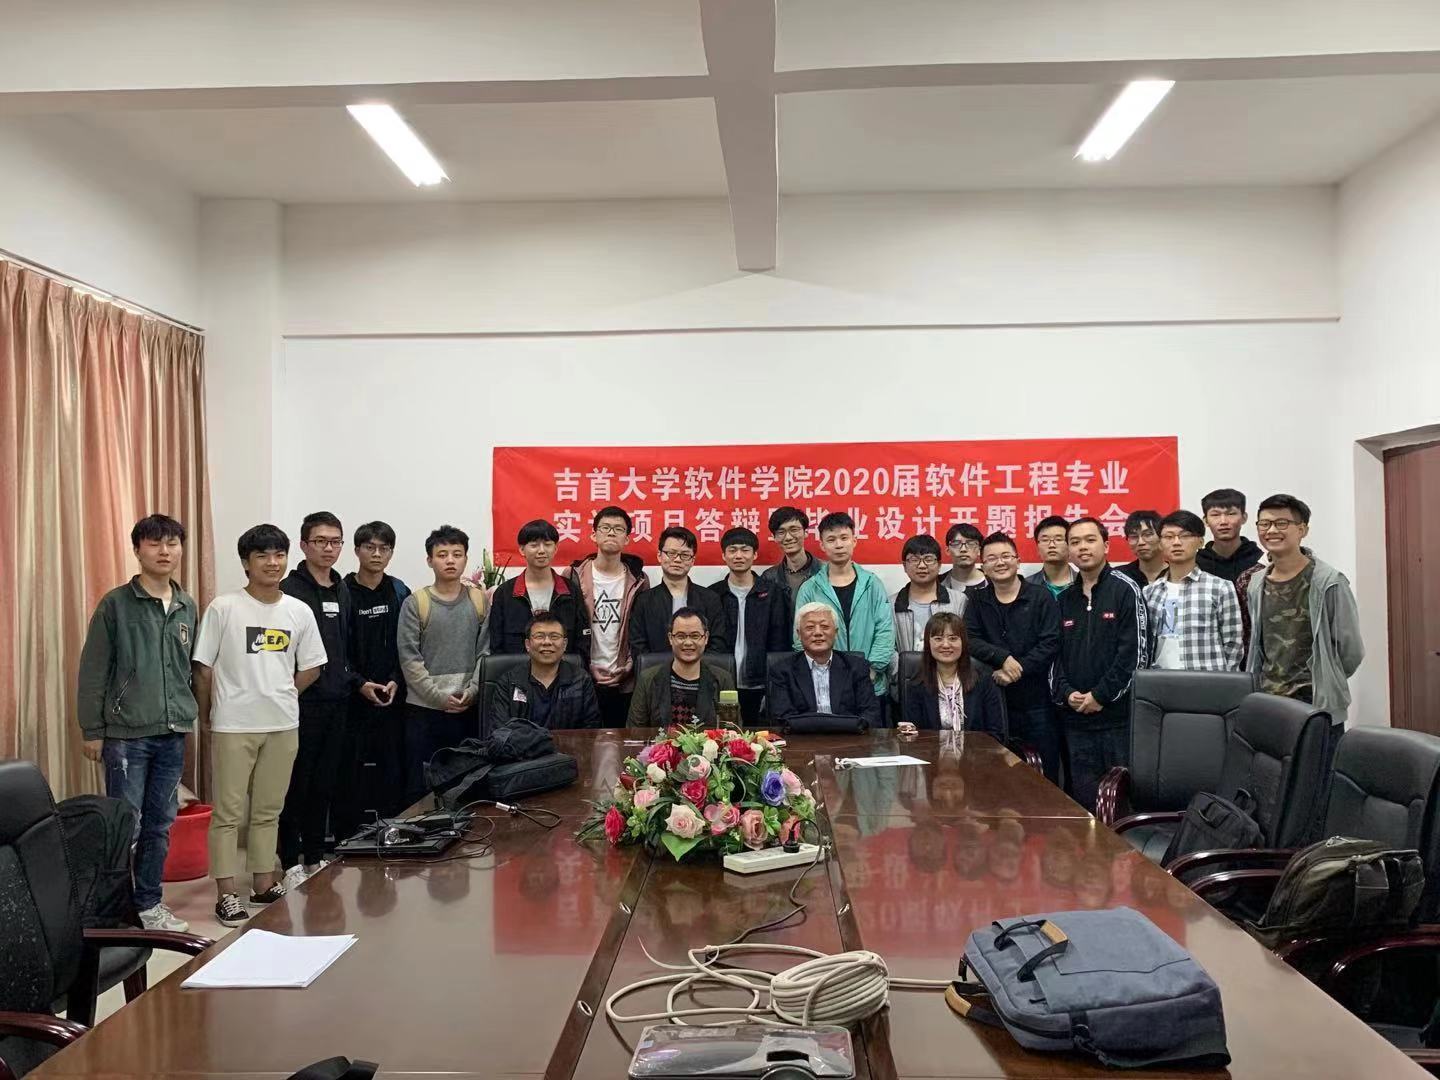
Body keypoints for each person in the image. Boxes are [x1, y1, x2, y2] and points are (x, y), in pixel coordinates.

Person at [194, 524, 327, 927]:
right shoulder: (224, 608)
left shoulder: (298, 611)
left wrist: (284, 692)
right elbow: (203, 669)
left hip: (283, 724)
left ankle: (263, 884)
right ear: (246, 563)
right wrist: (208, 715)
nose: (272, 563)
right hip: (234, 724)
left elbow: (313, 666)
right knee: (229, 813)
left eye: (279, 555)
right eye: (262, 556)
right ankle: (226, 894)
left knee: (269, 810)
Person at [76, 514, 198, 932]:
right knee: (126, 824)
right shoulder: (116, 604)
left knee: (160, 824)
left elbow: (187, 668)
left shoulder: (186, 605)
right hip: (126, 735)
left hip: (172, 731)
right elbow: (94, 670)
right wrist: (92, 730)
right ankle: (114, 908)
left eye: (172, 543)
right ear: (137, 550)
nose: (165, 551)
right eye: (154, 543)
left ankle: (148, 903)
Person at [279, 511, 385, 883]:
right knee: (297, 784)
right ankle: (289, 861)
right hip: (301, 702)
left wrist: (358, 682)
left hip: (339, 702)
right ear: (304, 545)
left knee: (325, 783)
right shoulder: (290, 590)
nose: (329, 548)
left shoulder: (341, 587)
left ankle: (313, 857)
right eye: (321, 541)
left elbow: (341, 649)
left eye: (335, 541)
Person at [1245, 495, 1364, 731]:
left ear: (1302, 530)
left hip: (1317, 707)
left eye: (1282, 523)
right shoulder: (1256, 583)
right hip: (1270, 704)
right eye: (1264, 524)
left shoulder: (1329, 581)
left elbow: (1350, 651)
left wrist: (1328, 680)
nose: (1271, 530)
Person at [1053, 517, 1143, 812]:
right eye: (1075, 542)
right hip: (1076, 717)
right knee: (1085, 803)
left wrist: (1100, 696)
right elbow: (1055, 656)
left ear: (1106, 545)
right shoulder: (1065, 599)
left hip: (1117, 718)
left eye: (1090, 540)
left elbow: (1135, 654)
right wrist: (1067, 693)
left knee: (1120, 802)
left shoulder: (1126, 589)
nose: (1082, 547)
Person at [397, 524, 487, 803]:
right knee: (422, 787)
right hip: (424, 711)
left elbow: (485, 653)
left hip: (467, 708)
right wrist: (438, 697)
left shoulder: (479, 600)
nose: (450, 560)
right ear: (429, 560)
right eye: (442, 554)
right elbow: (409, 658)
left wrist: (472, 692)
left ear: (465, 559)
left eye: (457, 554)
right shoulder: (416, 602)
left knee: (467, 785)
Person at [964, 531, 1063, 781]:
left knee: (1042, 776)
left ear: (1018, 561)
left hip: (1038, 701)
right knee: (996, 776)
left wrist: (1018, 669)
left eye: (1006, 556)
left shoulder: (1040, 596)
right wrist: (1003, 658)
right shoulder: (977, 600)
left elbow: (1051, 642)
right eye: (992, 558)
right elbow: (970, 639)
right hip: (994, 700)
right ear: (983, 566)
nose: (1000, 562)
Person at [342, 520, 410, 824]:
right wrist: (358, 683)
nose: (377, 554)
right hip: (351, 698)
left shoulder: (399, 591)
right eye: (370, 547)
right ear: (357, 550)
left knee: (392, 770)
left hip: (393, 696)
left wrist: (396, 678)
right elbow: (335, 647)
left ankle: (392, 832)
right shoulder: (342, 591)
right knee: (350, 772)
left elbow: (409, 643)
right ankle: (350, 835)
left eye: (384, 548)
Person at [793, 512, 895, 695]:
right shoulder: (810, 588)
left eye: (844, 538)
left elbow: (885, 631)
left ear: (854, 541)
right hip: (824, 685)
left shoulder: (872, 584)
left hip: (870, 684)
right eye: (831, 540)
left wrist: (870, 671)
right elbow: (800, 636)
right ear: (822, 545)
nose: (839, 545)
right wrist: (822, 673)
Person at [568, 506, 649, 725]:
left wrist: (630, 666)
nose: (611, 532)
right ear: (593, 535)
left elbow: (640, 630)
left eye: (618, 529)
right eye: (605, 527)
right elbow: (569, 630)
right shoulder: (573, 576)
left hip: (625, 679)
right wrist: (586, 665)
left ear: (627, 539)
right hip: (582, 677)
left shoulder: (639, 580)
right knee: (584, 741)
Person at [1143, 510, 1243, 671]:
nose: (1176, 542)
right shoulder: (1149, 592)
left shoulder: (1220, 587)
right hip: (1160, 679)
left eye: (1185, 536)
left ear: (1200, 542)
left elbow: (1233, 643)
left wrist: (1226, 681)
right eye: (1169, 537)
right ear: (1160, 544)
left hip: (1207, 680)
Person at [708, 526, 788, 724]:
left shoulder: (772, 593)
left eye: (745, 550)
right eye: (732, 550)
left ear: (755, 555)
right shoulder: (712, 595)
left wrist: (773, 687)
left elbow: (779, 644)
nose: (739, 555)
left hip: (759, 684)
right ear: (724, 555)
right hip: (723, 683)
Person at [488, 519, 591, 661]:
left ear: (555, 548)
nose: (541, 551)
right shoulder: (505, 593)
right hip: (516, 672)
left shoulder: (570, 590)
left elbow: (582, 640)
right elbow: (496, 643)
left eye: (547, 544)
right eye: (534, 545)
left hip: (563, 672)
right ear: (522, 550)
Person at [768, 602, 882, 726]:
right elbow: (782, 717)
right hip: (802, 736)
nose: (818, 632)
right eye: (810, 627)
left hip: (848, 735)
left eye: (825, 626)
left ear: (836, 632)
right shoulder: (782, 671)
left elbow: (871, 714)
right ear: (799, 634)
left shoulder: (857, 667)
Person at [629, 525, 729, 657]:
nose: (677, 559)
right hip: (655, 670)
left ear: (692, 560)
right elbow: (638, 646)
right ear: (659, 556)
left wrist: (693, 668)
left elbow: (717, 645)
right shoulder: (644, 600)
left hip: (701, 670)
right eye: (671, 553)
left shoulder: (710, 599)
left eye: (685, 555)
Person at [488, 612, 601, 730]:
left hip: (569, 743)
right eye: (539, 636)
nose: (547, 642)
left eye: (554, 636)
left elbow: (591, 731)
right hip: (522, 743)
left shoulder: (581, 681)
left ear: (564, 644)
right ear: (527, 644)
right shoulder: (509, 682)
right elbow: (500, 732)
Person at [901, 612, 1004, 736]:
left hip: (976, 748)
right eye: (938, 639)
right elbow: (914, 737)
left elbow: (997, 734)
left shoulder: (984, 682)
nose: (946, 645)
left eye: (953, 638)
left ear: (963, 643)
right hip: (930, 748)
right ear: (928, 644)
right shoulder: (916, 685)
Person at [627, 608, 735, 726]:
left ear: (706, 638)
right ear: (670, 638)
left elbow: (732, 730)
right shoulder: (647, 680)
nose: (688, 643)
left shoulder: (723, 680)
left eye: (695, 636)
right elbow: (634, 731)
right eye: (681, 636)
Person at [889, 534, 965, 688]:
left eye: (928, 559)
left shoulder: (959, 601)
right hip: (907, 685)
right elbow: (888, 648)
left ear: (939, 564)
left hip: (950, 683)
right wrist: (907, 676)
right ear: (904, 565)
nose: (922, 565)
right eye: (914, 559)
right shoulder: (890, 604)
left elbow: (965, 642)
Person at [760, 506, 823, 633]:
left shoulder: (825, 571)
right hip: (783, 644)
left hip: (818, 641)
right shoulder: (769, 577)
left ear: (805, 532)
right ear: (774, 537)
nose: (788, 537)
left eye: (794, 530)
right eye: (781, 532)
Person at [1196, 488, 1263, 582]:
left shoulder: (1259, 560)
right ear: (1206, 521)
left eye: (1231, 514)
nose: (1223, 521)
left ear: (1244, 518)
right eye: (1215, 515)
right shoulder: (1196, 563)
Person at [1027, 515, 1075, 599]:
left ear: (1070, 545)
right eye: (1045, 540)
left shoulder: (1084, 582)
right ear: (1038, 547)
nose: (1052, 545)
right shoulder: (1026, 586)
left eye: (1058, 539)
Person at [1116, 510, 1166, 589]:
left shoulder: (1177, 574)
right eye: (1134, 537)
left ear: (1162, 537)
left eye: (1148, 535)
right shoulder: (1118, 576)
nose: (1140, 542)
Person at [942, 522, 987, 592]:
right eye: (956, 543)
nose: (963, 549)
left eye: (970, 543)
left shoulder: (993, 581)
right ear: (948, 550)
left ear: (979, 550)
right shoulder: (936, 583)